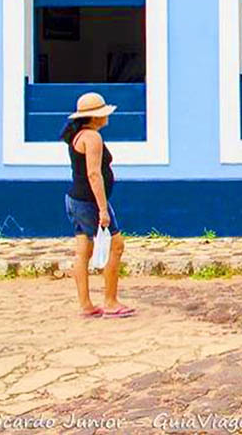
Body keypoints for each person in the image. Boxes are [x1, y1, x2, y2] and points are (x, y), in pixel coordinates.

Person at [62, 92, 134, 318]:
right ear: (95, 118)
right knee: (116, 245)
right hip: (89, 202)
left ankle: (86, 304)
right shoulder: (92, 138)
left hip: (75, 199)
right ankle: (111, 301)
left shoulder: (77, 136)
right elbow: (94, 174)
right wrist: (103, 209)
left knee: (83, 251)